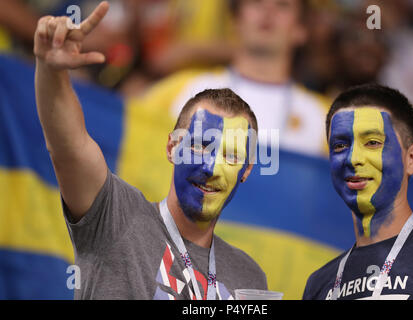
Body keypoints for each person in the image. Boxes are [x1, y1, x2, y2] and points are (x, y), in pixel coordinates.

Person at [33, 1, 267, 299]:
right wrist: (51, 70)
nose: (210, 167)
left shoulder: (250, 276)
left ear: (246, 169)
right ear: (173, 146)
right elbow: (69, 147)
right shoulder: (116, 216)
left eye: (230, 155)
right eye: (199, 145)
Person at [302, 84, 413, 300]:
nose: (353, 159)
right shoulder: (319, 283)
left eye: (372, 143)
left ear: (412, 159)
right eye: (340, 145)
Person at [131, 0, 330, 158]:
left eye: (282, 5)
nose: (268, 11)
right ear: (235, 20)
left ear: (301, 30)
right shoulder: (180, 89)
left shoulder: (327, 117)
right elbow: (121, 138)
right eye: (255, 2)